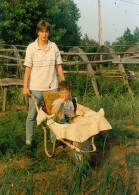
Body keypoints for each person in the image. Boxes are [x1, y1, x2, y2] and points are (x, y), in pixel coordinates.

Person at [23, 20, 65, 145]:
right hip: (35, 88)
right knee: (32, 115)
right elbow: (28, 69)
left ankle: (54, 139)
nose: (44, 34)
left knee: (54, 114)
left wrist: (64, 84)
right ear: (38, 32)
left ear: (49, 33)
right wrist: (25, 87)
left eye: (46, 31)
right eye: (42, 31)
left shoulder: (54, 47)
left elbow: (58, 67)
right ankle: (28, 141)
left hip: (52, 87)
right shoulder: (31, 47)